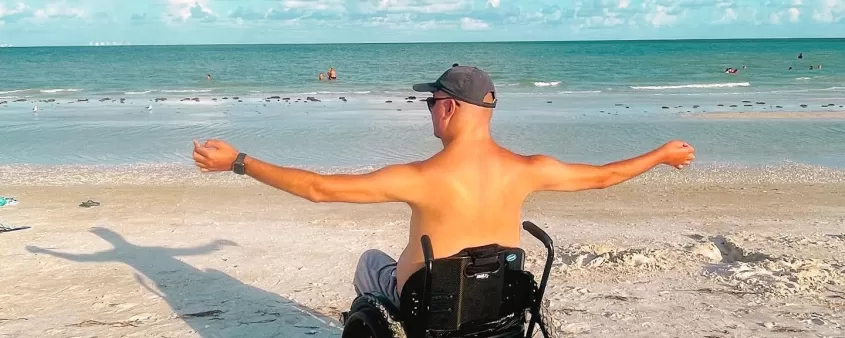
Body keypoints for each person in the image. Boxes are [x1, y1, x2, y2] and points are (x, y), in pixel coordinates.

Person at [191, 66, 696, 310]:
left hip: (428, 306)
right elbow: (604, 177)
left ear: (449, 107)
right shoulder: (529, 168)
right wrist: (660, 154)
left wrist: (239, 161)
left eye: (430, 102)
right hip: (499, 302)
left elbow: (320, 189)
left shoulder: (420, 177)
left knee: (371, 262)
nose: (429, 110)